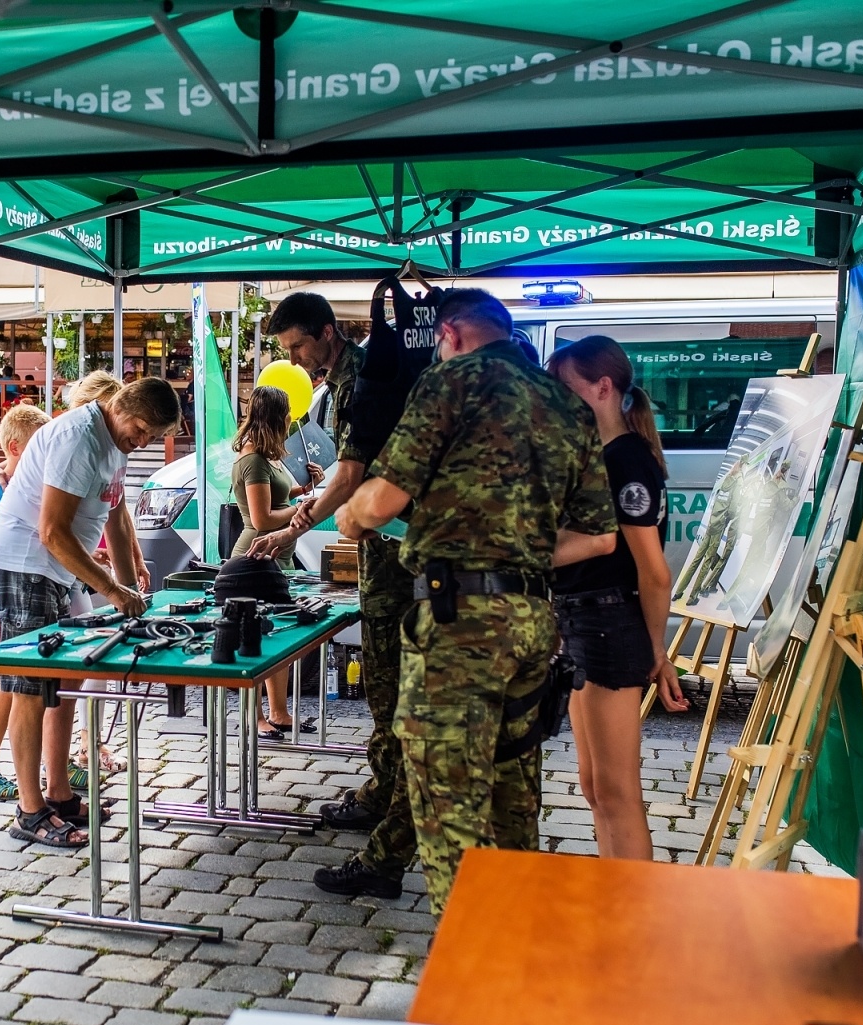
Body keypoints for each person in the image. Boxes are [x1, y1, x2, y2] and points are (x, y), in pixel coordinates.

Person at [335, 288, 616, 917]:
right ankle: (518, 951)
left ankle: (475, 968)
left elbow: (381, 501)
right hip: (531, 623)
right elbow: (599, 536)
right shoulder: (565, 406)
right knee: (512, 794)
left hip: (458, 627)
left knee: (447, 804)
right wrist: (514, 556)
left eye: (438, 341)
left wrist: (351, 516)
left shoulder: (451, 381)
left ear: (452, 333)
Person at [248, 291, 416, 900]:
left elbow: (351, 476)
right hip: (385, 547)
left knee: (391, 685)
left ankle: (395, 817)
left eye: (298, 347)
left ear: (326, 332)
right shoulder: (354, 377)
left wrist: (292, 528)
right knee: (381, 682)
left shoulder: (364, 378)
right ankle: (382, 792)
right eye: (285, 352)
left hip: (400, 554)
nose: (296, 360)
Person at [0, 378, 180, 847]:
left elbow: (116, 514)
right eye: (142, 431)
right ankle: (30, 812)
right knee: (30, 687)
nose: (143, 442)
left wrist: (130, 588)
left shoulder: (113, 440)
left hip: (57, 571)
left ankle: (60, 792)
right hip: (25, 564)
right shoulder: (78, 439)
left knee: (65, 685)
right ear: (122, 409)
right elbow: (52, 531)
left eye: (152, 436)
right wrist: (112, 589)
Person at [547, 336, 687, 861]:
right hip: (586, 624)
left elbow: (653, 572)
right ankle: (615, 903)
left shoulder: (626, 459)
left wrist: (657, 651)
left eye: (568, 390)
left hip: (611, 625)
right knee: (594, 786)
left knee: (617, 792)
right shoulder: (606, 455)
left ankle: (635, 917)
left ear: (603, 388)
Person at [0, 404, 52, 800]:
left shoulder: (22, 481)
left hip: (19, 592)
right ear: (16, 447)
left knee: (13, 686)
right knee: (7, 687)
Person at [231, 383, 322, 741]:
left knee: (279, 639)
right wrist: (300, 509)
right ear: (278, 418)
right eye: (287, 417)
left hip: (277, 559)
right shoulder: (252, 460)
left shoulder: (269, 457)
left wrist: (305, 488)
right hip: (256, 558)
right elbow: (263, 519)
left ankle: (279, 713)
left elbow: (278, 497)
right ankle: (255, 719)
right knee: (256, 641)